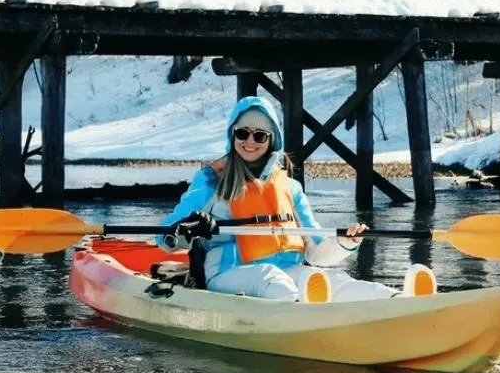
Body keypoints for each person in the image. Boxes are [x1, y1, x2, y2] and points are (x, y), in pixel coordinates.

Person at [159, 96, 435, 302]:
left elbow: (316, 253)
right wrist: (190, 226)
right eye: (242, 133)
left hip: (289, 268)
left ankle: (400, 302)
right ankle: (304, 321)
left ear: (272, 141)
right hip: (229, 272)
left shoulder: (290, 188)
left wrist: (345, 243)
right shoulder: (210, 181)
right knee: (271, 279)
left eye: (259, 135)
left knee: (334, 280)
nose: (250, 141)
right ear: (232, 136)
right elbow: (165, 238)